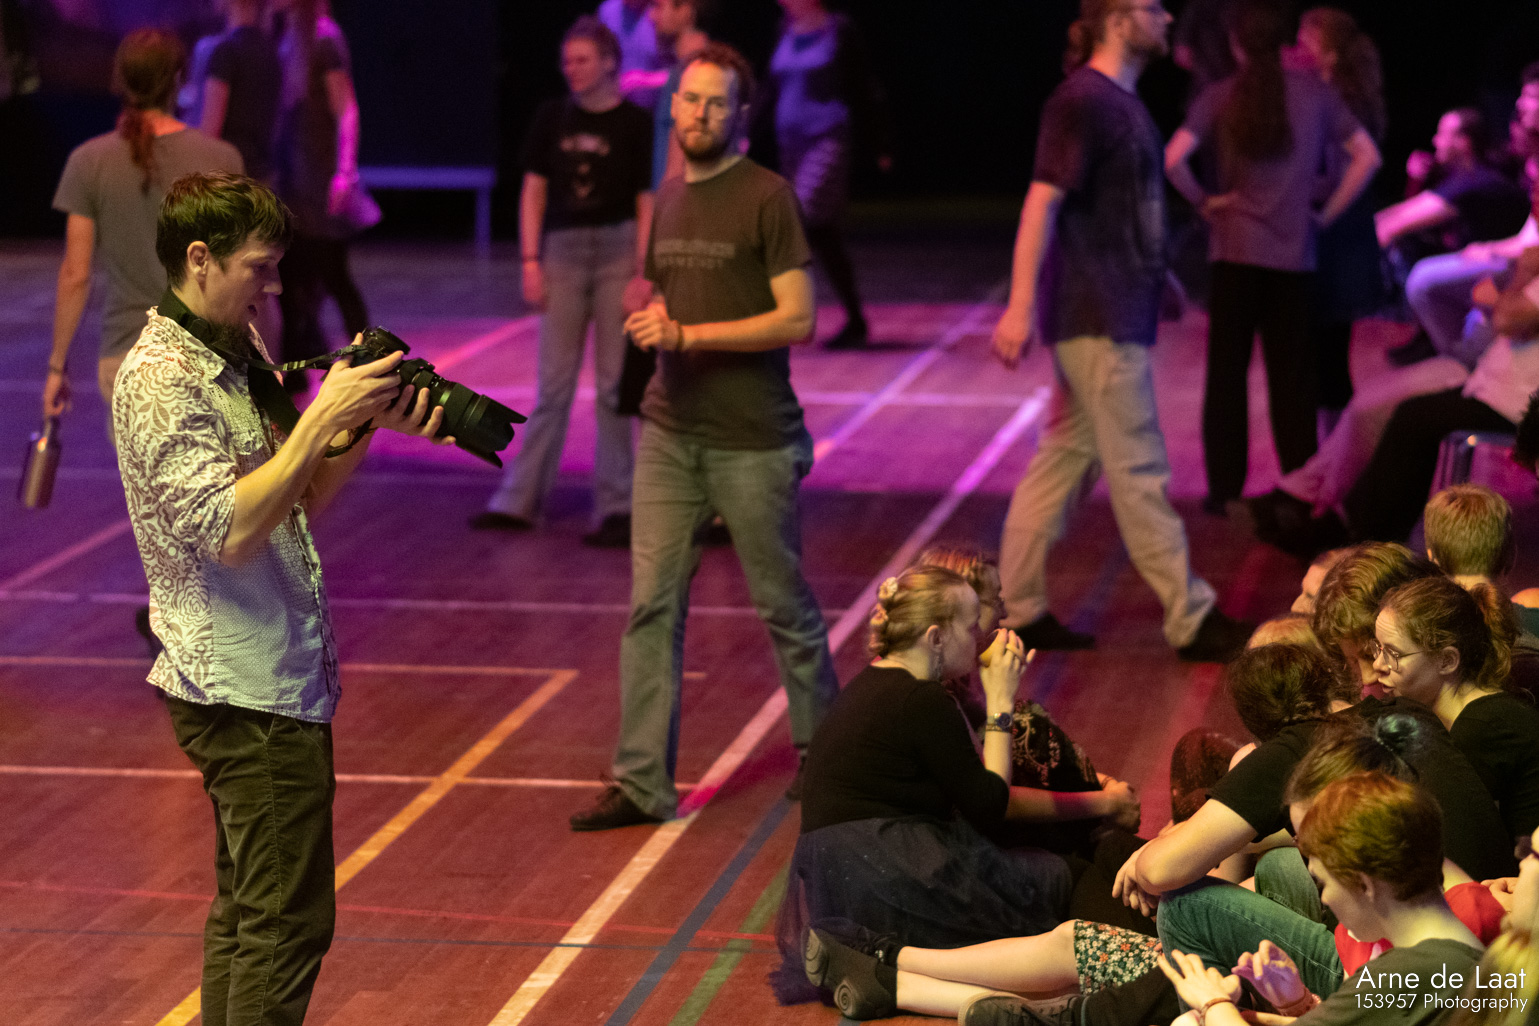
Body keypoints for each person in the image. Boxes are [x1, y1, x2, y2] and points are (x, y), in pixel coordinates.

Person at [113, 171, 451, 1026]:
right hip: (241, 690)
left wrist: (358, 423)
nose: (272, 287)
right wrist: (319, 418)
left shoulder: (234, 345)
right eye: (258, 268)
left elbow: (294, 501)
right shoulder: (160, 379)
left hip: (276, 676)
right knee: (286, 924)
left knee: (252, 913)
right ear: (200, 259)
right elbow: (228, 531)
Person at [568, 43, 840, 830]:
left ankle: (828, 761)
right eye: (689, 100)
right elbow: (664, 289)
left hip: (753, 440)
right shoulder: (670, 196)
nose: (698, 114)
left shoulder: (767, 197)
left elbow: (798, 317)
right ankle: (641, 782)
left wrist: (688, 334)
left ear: (740, 115)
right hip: (669, 433)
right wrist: (651, 312)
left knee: (783, 607)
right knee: (650, 608)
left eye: (715, 103)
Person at [990, 0, 1250, 663]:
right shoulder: (1083, 101)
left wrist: (1158, 277)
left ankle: (1017, 606)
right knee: (1139, 468)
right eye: (1150, 7)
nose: (1165, 17)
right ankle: (1190, 616)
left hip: (1111, 310)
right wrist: (1019, 305)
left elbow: (1123, 214)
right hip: (1097, 318)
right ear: (1116, 20)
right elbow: (1041, 201)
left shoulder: (1121, 104)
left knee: (1064, 458)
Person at [781, 566, 1082, 1012]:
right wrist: (1001, 700)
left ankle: (886, 974)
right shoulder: (921, 699)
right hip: (891, 875)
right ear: (936, 637)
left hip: (850, 881)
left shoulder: (875, 683)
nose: (979, 636)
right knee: (1061, 880)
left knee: (1050, 872)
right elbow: (990, 805)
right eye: (971, 626)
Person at [1165, 0, 1380, 511]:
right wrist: (1326, 214)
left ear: (1236, 44)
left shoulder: (1220, 95)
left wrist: (1204, 201)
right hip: (1293, 259)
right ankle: (1297, 487)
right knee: (1293, 381)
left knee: (1226, 377)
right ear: (1283, 43)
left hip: (1233, 253)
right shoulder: (1317, 94)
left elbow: (1173, 159)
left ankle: (1223, 491)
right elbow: (1368, 157)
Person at [472, 16, 652, 547]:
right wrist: (530, 261)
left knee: (615, 387)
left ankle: (617, 505)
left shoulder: (635, 123)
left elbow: (647, 200)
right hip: (564, 253)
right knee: (553, 385)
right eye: (567, 60)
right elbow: (533, 189)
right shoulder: (552, 116)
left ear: (609, 62)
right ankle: (519, 500)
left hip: (618, 249)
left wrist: (644, 271)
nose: (571, 69)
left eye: (582, 60)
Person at [1158, 773, 1484, 1026]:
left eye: (1324, 883)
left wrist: (1213, 1002)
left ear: (1363, 883)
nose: (1325, 900)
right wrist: (1297, 1004)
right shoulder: (1453, 954)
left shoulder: (1404, 976)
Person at [41, 29, 243, 422]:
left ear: (118, 81)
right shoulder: (222, 159)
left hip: (126, 356)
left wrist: (56, 366)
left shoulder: (88, 161)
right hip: (206, 356)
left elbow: (75, 274)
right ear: (180, 79)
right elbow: (241, 269)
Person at [758, 0, 890, 350]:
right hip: (790, 145)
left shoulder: (838, 30)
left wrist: (880, 143)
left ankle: (782, 312)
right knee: (824, 233)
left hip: (827, 140)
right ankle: (856, 320)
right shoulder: (783, 30)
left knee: (797, 217)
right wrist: (744, 130)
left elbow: (863, 86)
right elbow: (771, 88)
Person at [1373, 576, 1539, 841]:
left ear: (1447, 661)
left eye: (1393, 654)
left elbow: (1451, 838)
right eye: (1378, 648)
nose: (1377, 665)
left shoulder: (1483, 727)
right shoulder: (1469, 717)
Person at [1289, 8, 1386, 427]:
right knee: (1323, 352)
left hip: (1337, 238)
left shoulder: (1341, 101)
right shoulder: (1331, 95)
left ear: (1328, 53)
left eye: (1304, 42)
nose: (1295, 50)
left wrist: (1322, 214)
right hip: (1339, 234)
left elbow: (1352, 169)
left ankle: (1332, 452)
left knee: (1324, 353)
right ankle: (1329, 450)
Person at [271, 0, 369, 394]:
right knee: (292, 279)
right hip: (293, 182)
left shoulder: (324, 38)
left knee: (333, 275)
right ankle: (296, 371)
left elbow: (347, 109)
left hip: (319, 181)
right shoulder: (287, 36)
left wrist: (345, 172)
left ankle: (368, 365)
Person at [199, 0, 282, 184]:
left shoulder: (225, 52)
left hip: (229, 178)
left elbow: (210, 132)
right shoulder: (273, 53)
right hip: (263, 177)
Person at [642, 0, 709, 189]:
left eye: (658, 6)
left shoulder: (696, 70)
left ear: (685, 10)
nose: (651, 16)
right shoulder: (678, 71)